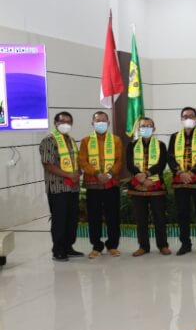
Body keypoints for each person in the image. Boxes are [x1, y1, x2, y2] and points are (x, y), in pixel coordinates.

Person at [78, 111, 123, 258]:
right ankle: (96, 246)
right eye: (98, 121)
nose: (101, 123)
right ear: (92, 123)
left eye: (104, 121)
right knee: (94, 216)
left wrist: (109, 175)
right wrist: (97, 174)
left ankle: (112, 245)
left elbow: (119, 161)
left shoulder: (116, 140)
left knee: (113, 216)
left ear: (108, 123)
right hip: (93, 184)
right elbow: (82, 161)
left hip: (111, 183)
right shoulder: (85, 141)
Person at [168, 107, 196, 256]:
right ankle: (185, 244)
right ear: (181, 119)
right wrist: (180, 173)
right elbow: (170, 157)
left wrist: (191, 173)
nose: (188, 118)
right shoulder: (174, 137)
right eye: (185, 116)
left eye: (191, 116)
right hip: (180, 181)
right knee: (182, 214)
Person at [39, 111, 82, 261]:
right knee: (60, 219)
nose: (66, 124)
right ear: (55, 123)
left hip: (73, 188)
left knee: (71, 219)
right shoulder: (49, 141)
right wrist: (69, 175)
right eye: (62, 121)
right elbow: (48, 165)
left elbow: (75, 162)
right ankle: (58, 250)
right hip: (58, 188)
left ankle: (68, 247)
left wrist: (78, 172)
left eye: (69, 121)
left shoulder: (70, 140)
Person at [127, 117, 171, 256]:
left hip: (156, 185)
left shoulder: (160, 145)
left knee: (159, 217)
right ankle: (143, 246)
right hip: (138, 187)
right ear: (138, 129)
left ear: (154, 129)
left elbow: (161, 164)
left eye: (149, 125)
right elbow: (129, 164)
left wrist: (145, 174)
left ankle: (162, 245)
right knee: (141, 218)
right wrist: (140, 177)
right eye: (143, 126)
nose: (146, 128)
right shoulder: (132, 145)